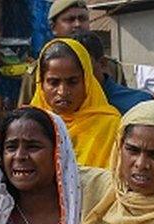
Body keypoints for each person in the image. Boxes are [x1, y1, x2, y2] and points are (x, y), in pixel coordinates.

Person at [30, 38, 121, 167]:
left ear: (87, 82)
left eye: (72, 82)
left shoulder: (110, 126)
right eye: (54, 82)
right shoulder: (30, 125)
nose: (62, 91)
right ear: (41, 84)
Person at [17, 0, 127, 106]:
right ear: (53, 27)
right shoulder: (38, 70)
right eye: (70, 20)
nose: (78, 24)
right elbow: (25, 115)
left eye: (83, 19)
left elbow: (123, 100)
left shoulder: (108, 66)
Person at [71, 31, 152, 114]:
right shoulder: (63, 108)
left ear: (102, 64)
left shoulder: (139, 105)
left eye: (83, 67)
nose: (76, 76)